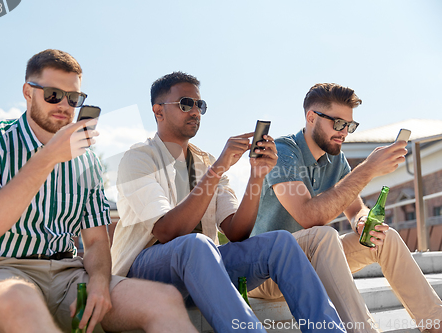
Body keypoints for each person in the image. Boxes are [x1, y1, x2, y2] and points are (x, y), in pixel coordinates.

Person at [0, 49, 197, 333]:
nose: (64, 105)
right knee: (18, 301)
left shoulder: (87, 161)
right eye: (52, 95)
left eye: (73, 98)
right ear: (27, 92)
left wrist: (98, 283)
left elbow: (95, 242)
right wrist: (48, 157)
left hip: (69, 274)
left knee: (164, 300)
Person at [111, 72, 346, 333]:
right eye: (185, 103)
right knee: (195, 244)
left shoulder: (204, 162)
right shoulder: (138, 159)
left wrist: (257, 175)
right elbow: (168, 231)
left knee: (281, 242)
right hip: (143, 274)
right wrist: (219, 168)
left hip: (204, 268)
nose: (195, 112)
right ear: (158, 111)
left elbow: (236, 231)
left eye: (200, 105)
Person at [250, 83, 442, 333]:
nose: (345, 132)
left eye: (350, 126)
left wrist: (361, 222)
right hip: (267, 272)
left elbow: (355, 207)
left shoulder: (336, 158)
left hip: (311, 261)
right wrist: (368, 169)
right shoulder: (284, 152)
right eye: (338, 124)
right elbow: (309, 216)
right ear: (311, 118)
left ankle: (435, 325)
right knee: (324, 234)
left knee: (384, 239)